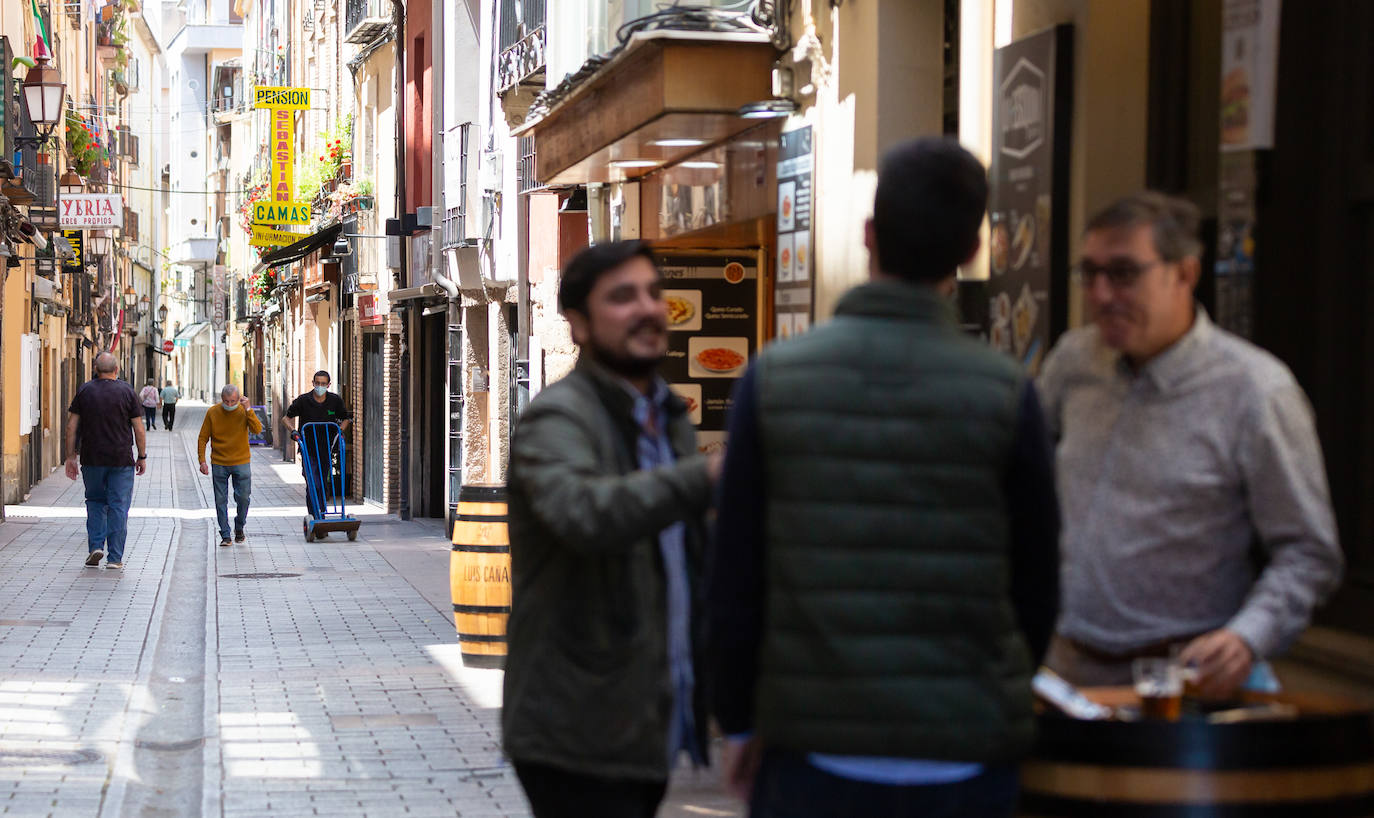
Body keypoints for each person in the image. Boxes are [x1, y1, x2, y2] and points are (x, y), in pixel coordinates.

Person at [708, 138, 1061, 818]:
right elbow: (1038, 580)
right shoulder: (1006, 391)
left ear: (869, 236)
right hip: (966, 745)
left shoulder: (775, 380)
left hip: (814, 746)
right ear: (971, 251)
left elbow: (736, 575)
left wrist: (740, 719)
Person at [1037, 191, 1343, 697]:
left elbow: (1309, 552)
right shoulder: (1074, 363)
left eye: (1123, 273)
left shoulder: (1255, 391)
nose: (1100, 294)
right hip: (1065, 671)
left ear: (1184, 274)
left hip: (1185, 686)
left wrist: (1248, 637)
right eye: (1089, 273)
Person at [502, 241, 721, 818]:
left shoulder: (664, 414)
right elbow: (584, 513)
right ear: (577, 324)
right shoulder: (558, 417)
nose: (647, 308)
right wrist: (705, 478)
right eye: (622, 297)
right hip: (576, 726)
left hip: (647, 717)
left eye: (653, 293)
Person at [64, 352, 147, 570]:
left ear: (95, 368)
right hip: (121, 459)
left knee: (95, 502)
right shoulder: (127, 392)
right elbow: (139, 428)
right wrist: (142, 456)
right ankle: (115, 558)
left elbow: (71, 426)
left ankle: (95, 546)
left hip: (92, 458)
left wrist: (71, 456)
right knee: (118, 506)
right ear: (117, 369)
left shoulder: (85, 390)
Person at [197, 385, 263, 547]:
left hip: (241, 461)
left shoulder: (243, 411)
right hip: (219, 462)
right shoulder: (213, 412)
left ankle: (239, 526)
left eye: (233, 401)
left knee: (243, 498)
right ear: (221, 399)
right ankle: (225, 534)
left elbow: (257, 429)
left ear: (239, 398)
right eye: (226, 401)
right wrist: (202, 461)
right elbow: (202, 437)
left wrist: (249, 410)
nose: (229, 404)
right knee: (220, 500)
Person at [281, 371, 352, 520]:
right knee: (313, 483)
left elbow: (346, 419)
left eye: (323, 384)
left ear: (328, 385)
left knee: (323, 484)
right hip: (308, 449)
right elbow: (286, 419)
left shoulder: (335, 401)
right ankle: (315, 515)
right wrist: (294, 431)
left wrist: (340, 431)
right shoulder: (303, 401)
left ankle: (321, 514)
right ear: (313, 383)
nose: (320, 386)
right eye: (317, 383)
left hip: (326, 449)